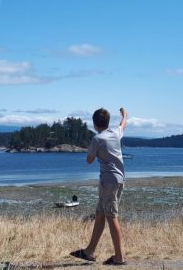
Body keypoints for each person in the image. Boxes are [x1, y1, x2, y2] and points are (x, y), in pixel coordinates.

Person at [71, 107, 128, 266]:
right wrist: (125, 115)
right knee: (100, 213)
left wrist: (93, 153)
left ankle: (119, 257)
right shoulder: (115, 133)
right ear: (107, 122)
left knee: (112, 217)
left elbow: (89, 160)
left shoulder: (97, 139)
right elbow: (123, 125)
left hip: (108, 182)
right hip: (118, 180)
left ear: (95, 124)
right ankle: (89, 251)